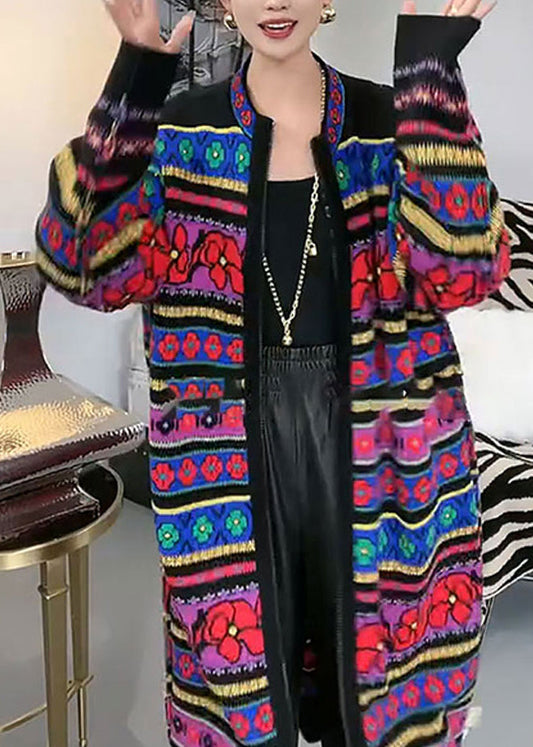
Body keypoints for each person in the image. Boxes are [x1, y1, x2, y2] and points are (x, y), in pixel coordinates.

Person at [35, 0, 510, 745]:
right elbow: (82, 264)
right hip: (225, 457)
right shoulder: (179, 133)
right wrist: (134, 82)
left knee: (386, 691)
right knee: (242, 688)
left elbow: (464, 269)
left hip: (387, 456)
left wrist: (430, 70)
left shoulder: (389, 121)